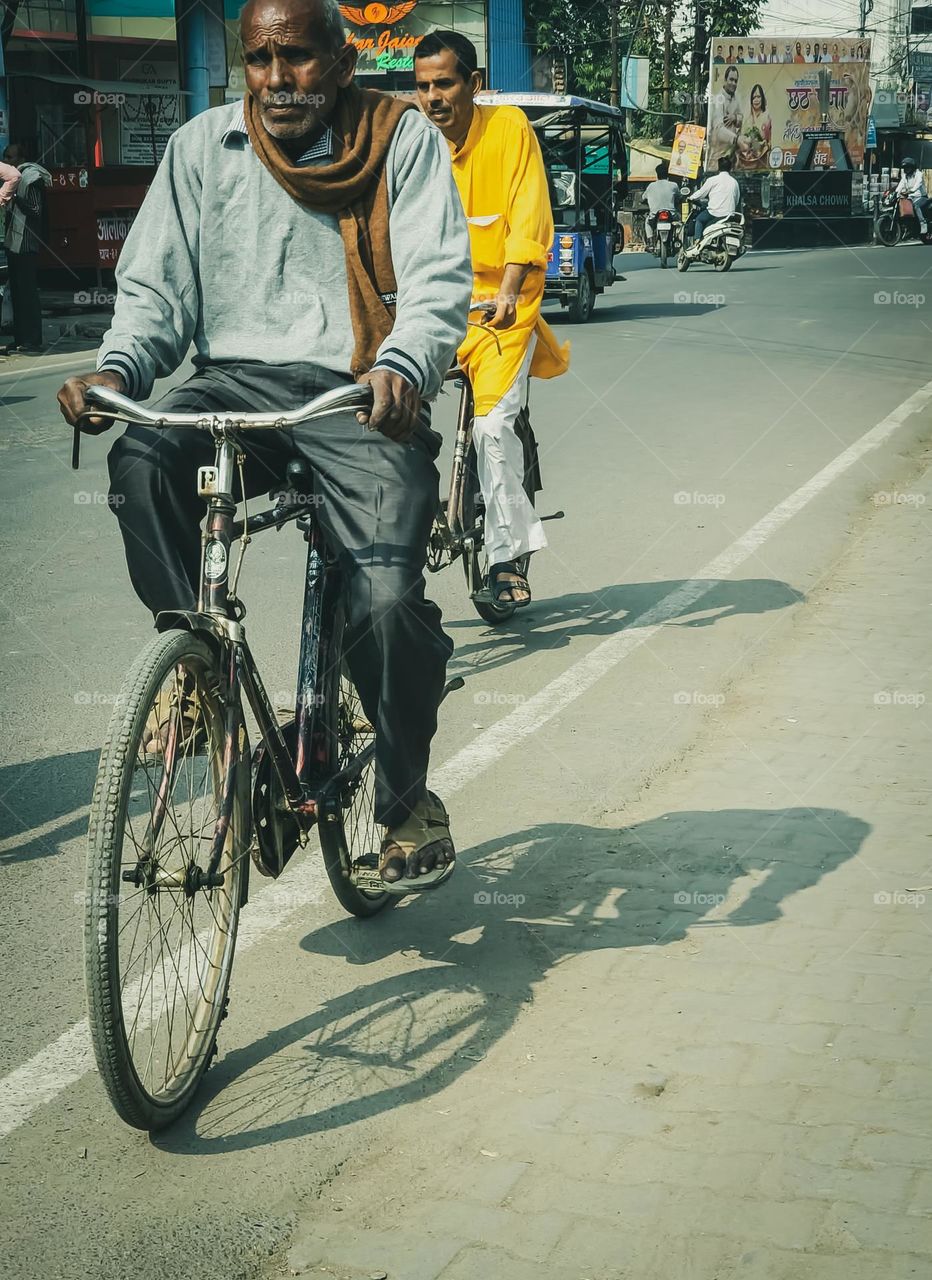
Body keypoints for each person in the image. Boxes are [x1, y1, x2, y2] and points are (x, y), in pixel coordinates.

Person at [57, 0, 474, 894]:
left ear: (343, 57)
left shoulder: (399, 141)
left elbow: (441, 279)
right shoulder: (203, 147)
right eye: (259, 59)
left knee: (389, 597)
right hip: (234, 383)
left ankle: (407, 803)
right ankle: (195, 663)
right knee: (139, 460)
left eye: (298, 58)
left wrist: (405, 363)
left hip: (357, 392)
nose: (278, 80)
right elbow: (155, 290)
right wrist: (118, 372)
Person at [414, 30, 569, 609]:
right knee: (381, 409)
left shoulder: (509, 131)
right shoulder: (415, 145)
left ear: (473, 85)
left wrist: (507, 293)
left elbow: (528, 222)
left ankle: (506, 558)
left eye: (444, 83)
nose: (432, 97)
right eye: (422, 86)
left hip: (503, 310)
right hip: (434, 311)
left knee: (491, 429)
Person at [2, 143, 50, 356]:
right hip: (14, 242)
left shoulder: (31, 177)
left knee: (28, 293)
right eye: (5, 156)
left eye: (10, 156)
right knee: (18, 294)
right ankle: (20, 338)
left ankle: (33, 339)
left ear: (21, 157)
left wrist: (16, 198)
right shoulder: (14, 177)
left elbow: (36, 210)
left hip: (27, 243)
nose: (8, 160)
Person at [688, 156, 741, 244]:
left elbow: (701, 193)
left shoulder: (712, 180)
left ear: (718, 167)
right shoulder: (734, 182)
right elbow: (737, 200)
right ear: (730, 168)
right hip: (729, 214)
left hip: (714, 213)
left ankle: (697, 241)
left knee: (699, 220)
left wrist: (691, 198)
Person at [707, 65, 742, 167]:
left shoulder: (736, 98)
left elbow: (741, 117)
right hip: (718, 158)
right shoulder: (718, 99)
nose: (733, 83)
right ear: (725, 80)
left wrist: (735, 118)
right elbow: (718, 129)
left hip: (732, 156)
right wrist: (737, 139)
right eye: (731, 80)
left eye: (736, 81)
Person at [643, 162, 681, 244]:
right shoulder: (674, 185)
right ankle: (678, 239)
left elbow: (643, 197)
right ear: (668, 174)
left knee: (647, 222)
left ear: (657, 175)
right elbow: (679, 196)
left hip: (654, 214)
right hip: (672, 214)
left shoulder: (651, 186)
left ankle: (650, 242)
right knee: (680, 221)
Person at [895, 157, 931, 239]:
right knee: (902, 207)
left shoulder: (919, 174)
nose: (906, 169)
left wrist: (911, 191)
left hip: (921, 197)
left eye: (908, 167)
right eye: (905, 168)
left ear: (912, 167)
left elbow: (918, 184)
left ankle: (923, 223)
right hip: (911, 197)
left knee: (915, 206)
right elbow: (900, 185)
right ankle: (909, 227)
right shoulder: (905, 176)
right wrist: (896, 193)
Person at [737, 83, 772, 167]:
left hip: (762, 159)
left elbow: (768, 141)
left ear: (762, 98)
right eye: (754, 97)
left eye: (758, 97)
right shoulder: (747, 117)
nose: (756, 100)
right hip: (745, 160)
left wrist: (757, 143)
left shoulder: (766, 116)